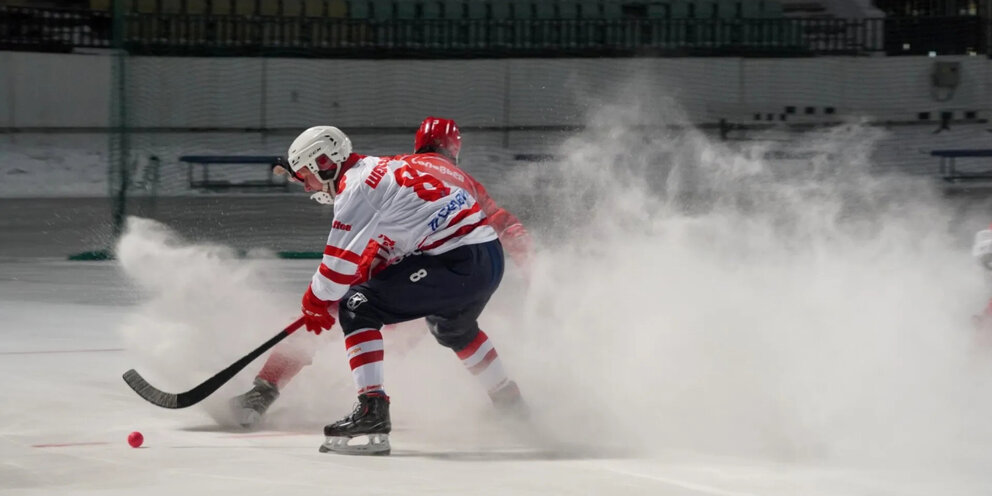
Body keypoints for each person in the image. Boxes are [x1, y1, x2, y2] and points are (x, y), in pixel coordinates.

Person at [235, 124, 528, 456]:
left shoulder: (392, 166)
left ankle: (361, 407)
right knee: (453, 328)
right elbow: (503, 222)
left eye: (305, 177)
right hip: (483, 259)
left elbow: (337, 273)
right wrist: (531, 271)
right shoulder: (454, 176)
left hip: (447, 260)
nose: (305, 187)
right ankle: (511, 405)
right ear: (455, 151)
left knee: (354, 306)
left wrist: (316, 303)